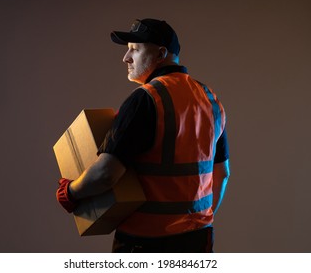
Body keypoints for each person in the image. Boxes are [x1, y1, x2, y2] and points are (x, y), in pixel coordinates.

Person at [56, 18, 230, 253]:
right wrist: (199, 223)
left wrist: (71, 192)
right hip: (199, 239)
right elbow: (223, 174)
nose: (126, 58)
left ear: (161, 54)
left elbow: (106, 174)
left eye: (135, 50)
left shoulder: (147, 99)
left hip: (145, 243)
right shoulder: (209, 98)